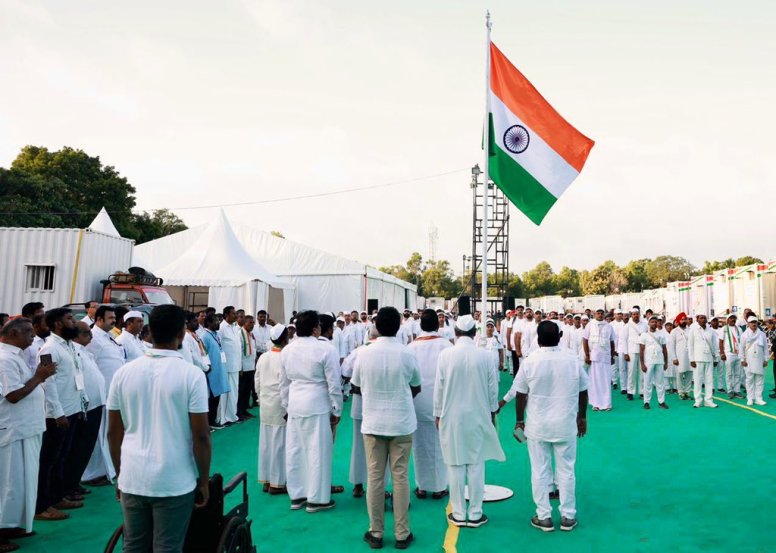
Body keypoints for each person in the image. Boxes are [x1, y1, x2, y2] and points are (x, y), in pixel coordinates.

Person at [107, 304, 211, 552]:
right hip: (173, 480)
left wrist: (121, 474)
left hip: (132, 476)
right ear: (182, 334)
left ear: (149, 331)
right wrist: (204, 481)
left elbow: (113, 432)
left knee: (133, 545)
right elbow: (201, 436)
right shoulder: (191, 375)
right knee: (167, 546)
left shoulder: (123, 374)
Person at [502, 321, 588, 533]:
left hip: (538, 426)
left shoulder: (531, 361)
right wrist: (582, 417)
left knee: (539, 471)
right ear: (560, 336)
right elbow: (583, 391)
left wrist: (519, 420)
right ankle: (568, 516)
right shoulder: (572, 360)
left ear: (538, 339)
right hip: (566, 424)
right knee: (566, 471)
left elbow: (521, 393)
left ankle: (544, 516)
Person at [352, 307, 421, 549]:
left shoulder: (364, 354)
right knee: (400, 477)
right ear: (400, 326)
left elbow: (357, 386)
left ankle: (376, 532)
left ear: (376, 326)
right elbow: (416, 385)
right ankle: (402, 534)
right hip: (401, 422)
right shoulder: (407, 353)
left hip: (373, 423)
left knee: (375, 477)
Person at [435, 315, 504, 529]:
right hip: (478, 414)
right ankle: (475, 514)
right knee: (476, 464)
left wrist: (437, 414)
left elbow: (439, 388)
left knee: (455, 463)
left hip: (452, 416)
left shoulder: (445, 355)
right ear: (475, 333)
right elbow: (493, 389)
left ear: (455, 332)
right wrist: (492, 413)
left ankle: (458, 513)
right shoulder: (484, 356)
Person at [0, 318, 56, 551]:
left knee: (23, 483)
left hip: (27, 428)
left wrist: (39, 376)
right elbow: (12, 395)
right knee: (9, 485)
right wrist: (39, 377)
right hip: (14, 430)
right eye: (29, 334)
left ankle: (13, 525)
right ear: (13, 334)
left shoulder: (15, 356)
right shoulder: (4, 360)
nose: (34, 337)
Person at [279, 310, 342, 513]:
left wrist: (286, 405)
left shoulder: (288, 350)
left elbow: (284, 383)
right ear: (316, 328)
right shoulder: (326, 350)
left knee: (295, 450)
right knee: (318, 451)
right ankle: (317, 499)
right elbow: (334, 384)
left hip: (296, 402)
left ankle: (297, 496)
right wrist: (337, 408)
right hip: (317, 403)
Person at [36, 308, 87, 521]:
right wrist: (58, 413)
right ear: (57, 324)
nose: (74, 322)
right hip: (57, 415)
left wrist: (82, 403)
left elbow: (74, 375)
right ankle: (41, 506)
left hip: (73, 408)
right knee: (48, 461)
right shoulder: (48, 349)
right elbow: (48, 383)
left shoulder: (68, 345)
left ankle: (57, 497)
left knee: (62, 458)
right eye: (69, 318)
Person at [407, 309, 452, 503]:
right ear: (437, 325)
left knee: (419, 445)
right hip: (441, 402)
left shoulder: (410, 348)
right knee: (440, 445)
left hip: (416, 402)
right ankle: (439, 486)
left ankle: (422, 486)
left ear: (420, 325)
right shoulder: (446, 346)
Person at [83, 305, 125, 487]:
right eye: (110, 318)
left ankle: (106, 469)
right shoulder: (94, 340)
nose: (114, 320)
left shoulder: (110, 337)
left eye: (114, 317)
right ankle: (92, 473)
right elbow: (88, 368)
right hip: (100, 395)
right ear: (98, 319)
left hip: (112, 393)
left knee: (108, 433)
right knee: (98, 435)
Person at [256, 324, 289, 495]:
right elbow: (285, 385)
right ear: (284, 339)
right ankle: (277, 483)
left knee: (266, 443)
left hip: (266, 403)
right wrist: (288, 406)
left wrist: (260, 399)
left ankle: (267, 480)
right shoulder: (285, 357)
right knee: (279, 443)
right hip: (280, 405)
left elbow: (257, 382)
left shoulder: (263, 357)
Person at [582, 308, 616, 411]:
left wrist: (612, 356)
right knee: (594, 381)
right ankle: (595, 404)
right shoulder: (590, 325)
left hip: (605, 357)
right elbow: (585, 340)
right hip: (594, 357)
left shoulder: (609, 326)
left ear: (604, 315)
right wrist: (587, 355)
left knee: (606, 380)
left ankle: (606, 404)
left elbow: (612, 342)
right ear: (595, 314)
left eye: (602, 313)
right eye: (598, 313)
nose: (600, 315)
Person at [200, 314, 230, 430]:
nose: (218, 323)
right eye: (216, 321)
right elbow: (203, 354)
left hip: (219, 368)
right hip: (211, 371)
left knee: (216, 396)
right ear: (209, 323)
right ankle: (208, 422)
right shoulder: (204, 336)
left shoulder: (216, 334)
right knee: (210, 397)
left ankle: (213, 420)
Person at [687, 314, 720, 408]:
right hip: (697, 358)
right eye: (701, 318)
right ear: (697, 320)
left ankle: (708, 400)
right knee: (698, 380)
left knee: (709, 380)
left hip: (709, 358)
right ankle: (698, 400)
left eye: (704, 318)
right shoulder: (693, 330)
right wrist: (691, 359)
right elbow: (690, 345)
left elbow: (714, 344)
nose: (703, 319)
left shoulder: (710, 331)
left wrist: (716, 358)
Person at [217, 306, 241, 426]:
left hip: (235, 365)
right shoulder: (222, 327)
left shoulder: (235, 327)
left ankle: (232, 416)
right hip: (226, 366)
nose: (235, 315)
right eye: (233, 313)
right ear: (226, 315)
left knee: (233, 392)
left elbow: (237, 347)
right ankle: (222, 418)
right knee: (225, 393)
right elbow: (219, 347)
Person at [638, 316, 669, 410]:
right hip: (649, 362)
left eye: (656, 322)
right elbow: (641, 350)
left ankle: (661, 401)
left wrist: (666, 362)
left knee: (660, 382)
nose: (654, 323)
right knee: (647, 382)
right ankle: (646, 402)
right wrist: (642, 364)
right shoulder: (644, 335)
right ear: (648, 323)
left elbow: (664, 349)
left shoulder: (661, 334)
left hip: (659, 361)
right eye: (652, 322)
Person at [739, 316, 768, 406]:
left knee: (759, 380)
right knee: (749, 380)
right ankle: (750, 398)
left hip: (759, 360)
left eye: (755, 322)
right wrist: (742, 359)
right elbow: (741, 348)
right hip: (749, 360)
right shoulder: (744, 335)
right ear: (748, 324)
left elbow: (766, 348)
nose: (754, 324)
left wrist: (765, 359)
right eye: (751, 322)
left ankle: (758, 398)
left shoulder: (762, 334)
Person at [620, 309, 647, 401]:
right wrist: (625, 353)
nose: (635, 315)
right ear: (631, 315)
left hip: (643, 350)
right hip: (631, 350)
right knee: (631, 372)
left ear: (639, 315)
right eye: (634, 314)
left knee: (642, 372)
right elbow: (624, 340)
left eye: (637, 314)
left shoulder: (644, 325)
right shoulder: (627, 326)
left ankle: (642, 391)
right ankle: (630, 392)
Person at [668, 313, 692, 400]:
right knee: (679, 374)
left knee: (690, 373)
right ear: (678, 321)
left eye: (685, 319)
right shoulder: (674, 332)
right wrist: (674, 358)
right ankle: (681, 392)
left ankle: (688, 392)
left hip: (690, 356)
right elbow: (671, 346)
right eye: (681, 319)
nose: (684, 321)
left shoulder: (690, 330)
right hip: (679, 357)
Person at [237, 315, 257, 420]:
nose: (252, 325)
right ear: (244, 323)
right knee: (241, 390)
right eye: (249, 323)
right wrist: (240, 367)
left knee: (248, 390)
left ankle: (244, 410)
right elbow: (239, 351)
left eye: (253, 323)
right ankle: (239, 411)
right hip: (243, 367)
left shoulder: (251, 335)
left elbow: (253, 350)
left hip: (251, 366)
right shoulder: (240, 334)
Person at [719, 314, 744, 399]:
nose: (733, 319)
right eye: (731, 318)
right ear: (727, 320)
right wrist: (722, 353)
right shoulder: (724, 329)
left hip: (738, 354)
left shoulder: (739, 329)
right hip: (729, 354)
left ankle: (737, 391)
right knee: (729, 374)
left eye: (734, 318)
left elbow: (742, 342)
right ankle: (730, 391)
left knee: (738, 374)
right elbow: (721, 342)